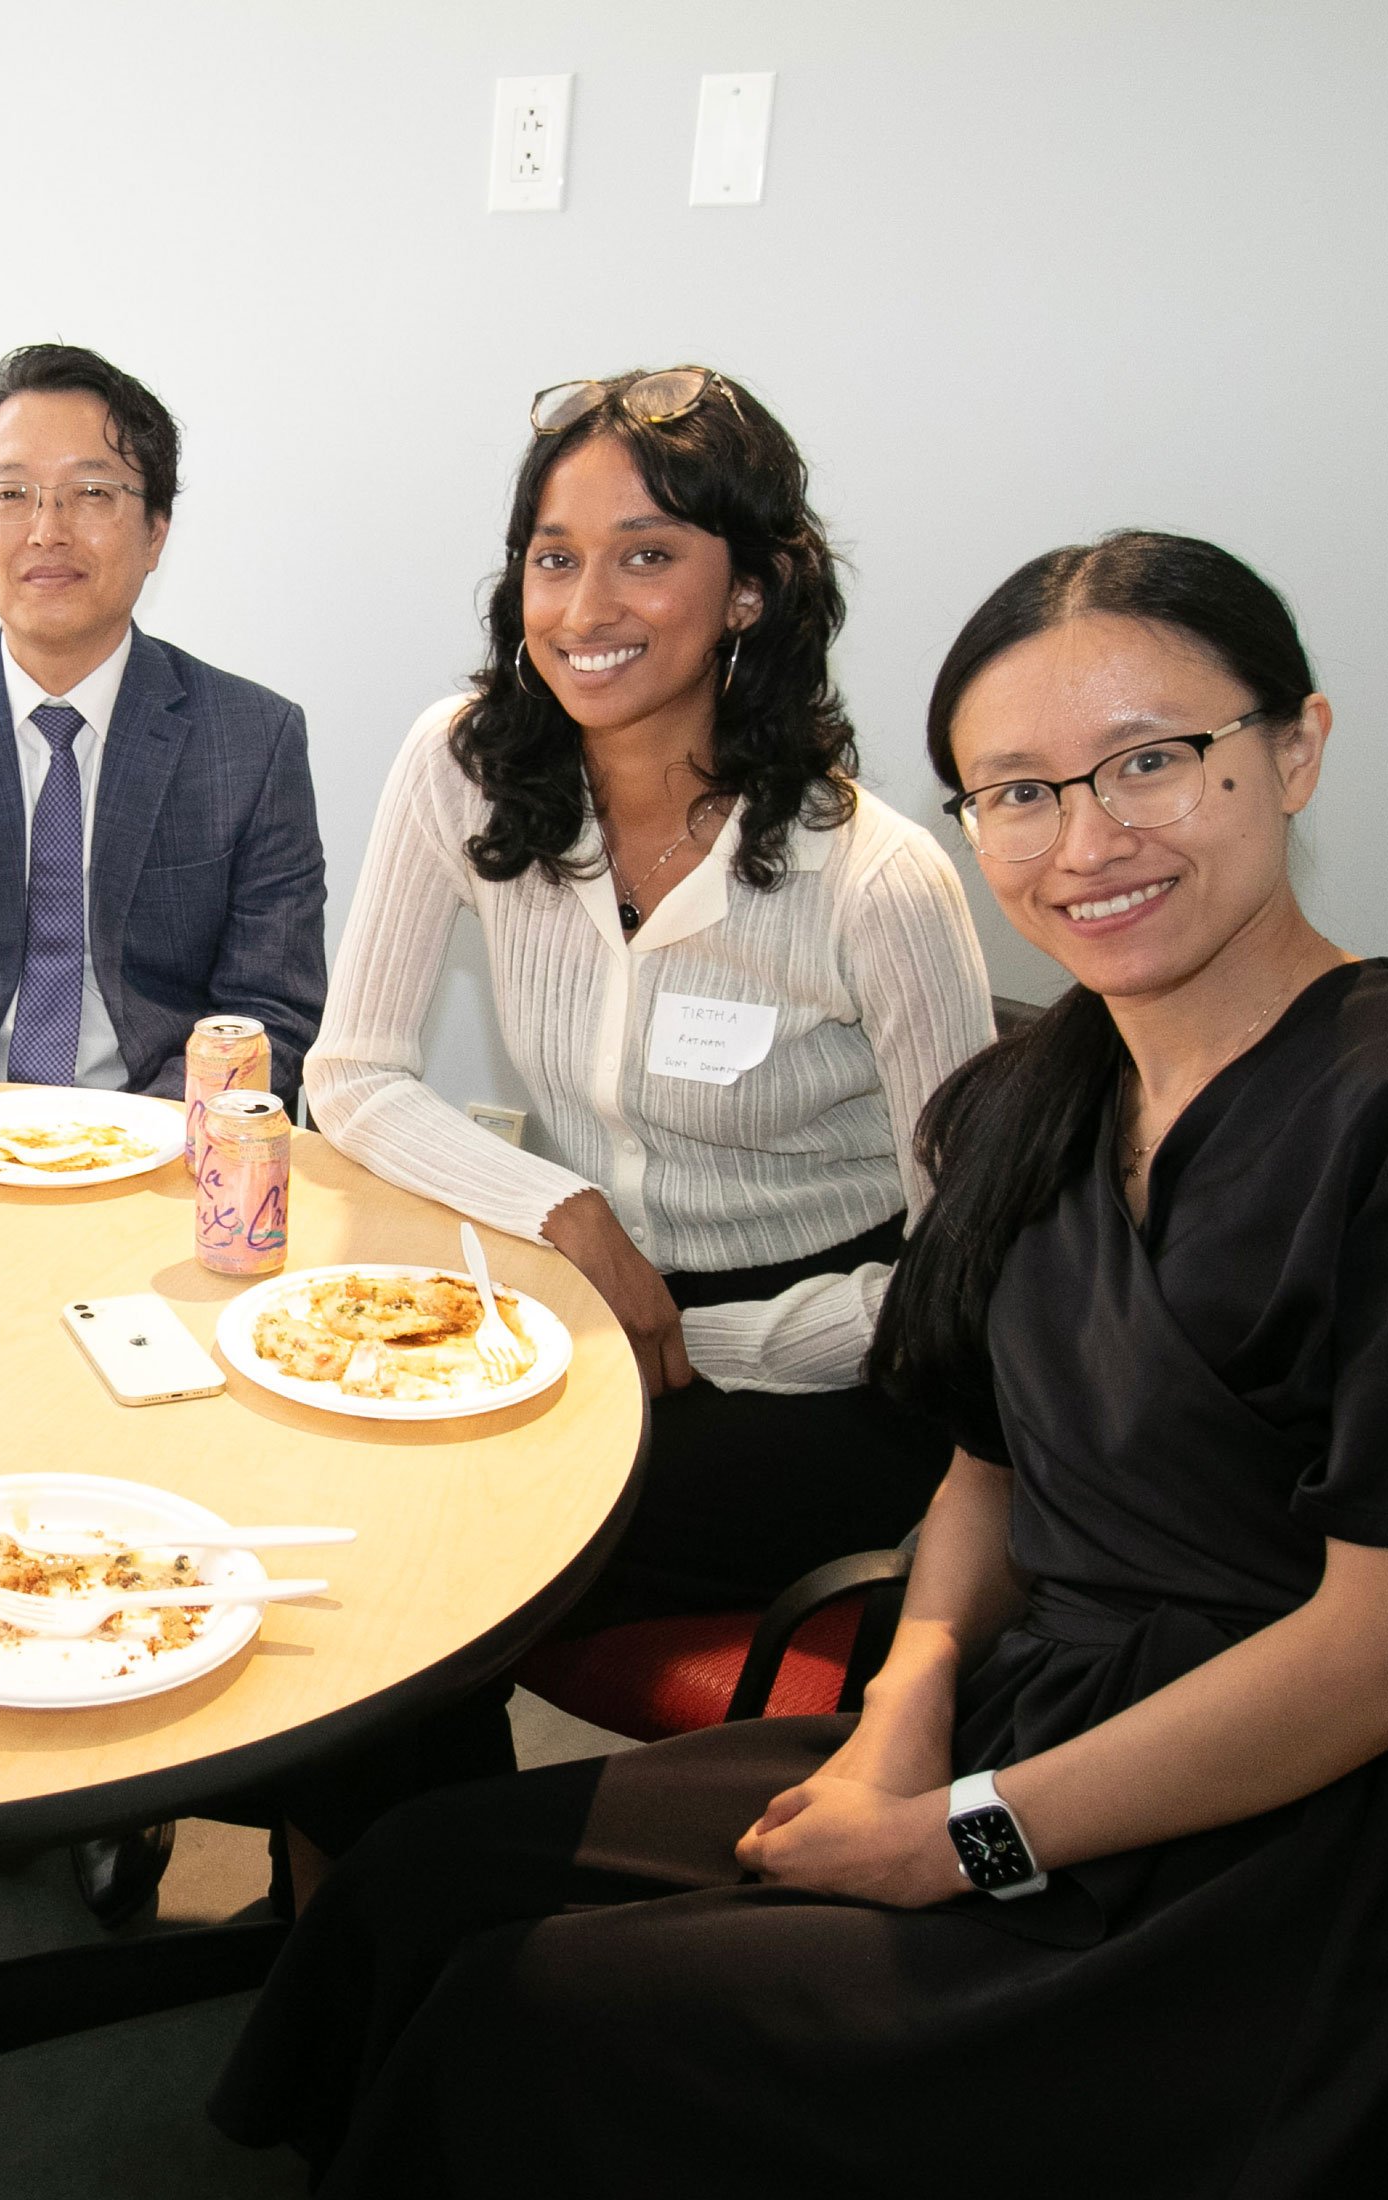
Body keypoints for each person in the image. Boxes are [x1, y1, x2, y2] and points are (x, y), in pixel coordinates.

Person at [209, 530, 1388, 2195]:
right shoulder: (1044, 1094)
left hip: (1274, 1862)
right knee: (415, 1883)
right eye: (1015, 793)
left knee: (536, 2016)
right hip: (1023, 1717)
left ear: (1295, 748)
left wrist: (964, 1835)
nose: (1084, 840)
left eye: (1150, 763)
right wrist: (902, 1717)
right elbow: (985, 1466)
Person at [313, 366, 993, 1646]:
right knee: (346, 1479)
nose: (585, 608)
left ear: (749, 590)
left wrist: (707, 1339)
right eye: (554, 558)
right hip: (587, 1290)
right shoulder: (461, 766)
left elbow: (963, 1283)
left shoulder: (878, 881)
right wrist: (558, 1212)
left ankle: (453, 1851)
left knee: (451, 1555)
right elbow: (350, 1075)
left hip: (834, 1356)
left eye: (647, 557)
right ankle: (364, 1855)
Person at [0, 342, 327, 1101]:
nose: (47, 530)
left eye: (91, 492)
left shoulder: (251, 740)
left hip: (159, 1149)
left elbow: (270, 1012)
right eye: (11, 495)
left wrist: (122, 1144)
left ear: (155, 532)